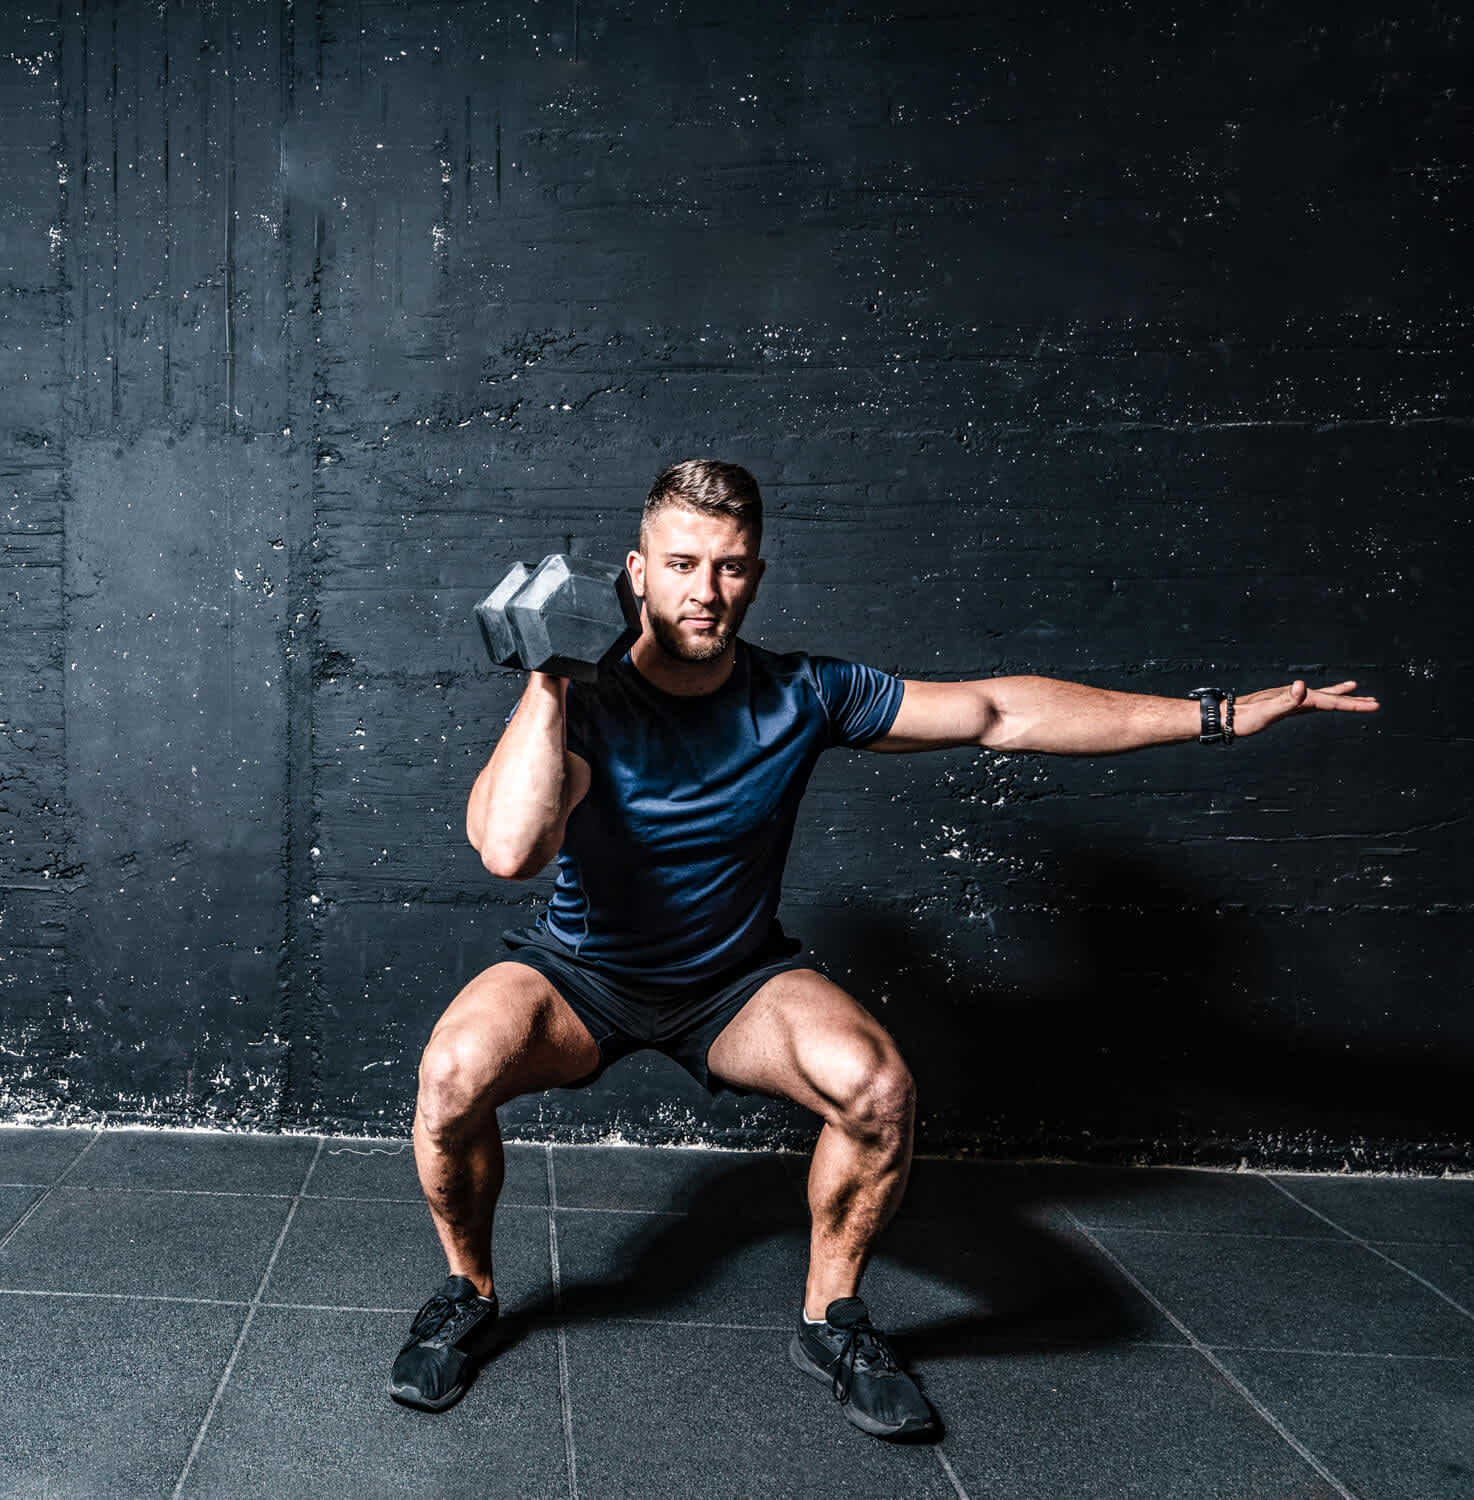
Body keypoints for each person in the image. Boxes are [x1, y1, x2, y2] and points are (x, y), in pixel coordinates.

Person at [389, 459, 1379, 1438]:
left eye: (730, 567)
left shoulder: (803, 693)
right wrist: (549, 680)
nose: (706, 591)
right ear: (636, 571)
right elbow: (511, 848)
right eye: (682, 564)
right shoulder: (584, 701)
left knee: (878, 1087)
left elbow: (1001, 711)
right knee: (451, 1072)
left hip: (734, 984)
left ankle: (832, 1319)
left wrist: (1217, 717)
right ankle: (468, 1291)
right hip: (581, 976)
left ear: (758, 577)